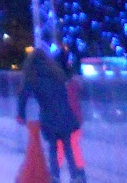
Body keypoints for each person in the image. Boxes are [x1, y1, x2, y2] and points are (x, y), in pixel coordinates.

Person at [17, 49, 85, 183]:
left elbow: (23, 95)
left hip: (49, 117)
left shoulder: (33, 77)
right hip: (65, 115)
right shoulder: (56, 73)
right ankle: (76, 176)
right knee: (68, 146)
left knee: (53, 148)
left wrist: (21, 114)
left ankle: (55, 176)